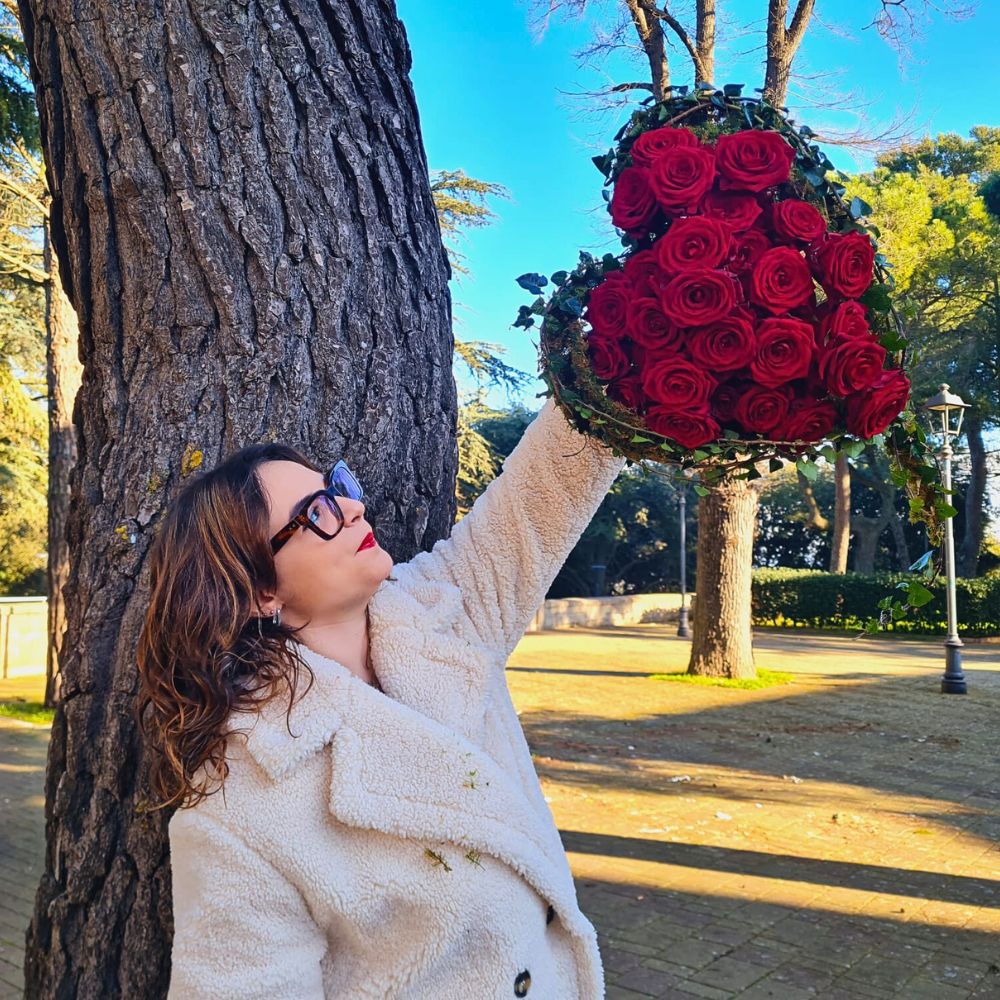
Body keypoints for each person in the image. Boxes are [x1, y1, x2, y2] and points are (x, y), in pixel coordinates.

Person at [137, 398, 624, 999]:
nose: (353, 506)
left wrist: (623, 358)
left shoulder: (445, 612)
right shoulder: (237, 804)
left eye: (336, 486)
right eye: (317, 512)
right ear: (261, 590)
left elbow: (547, 489)